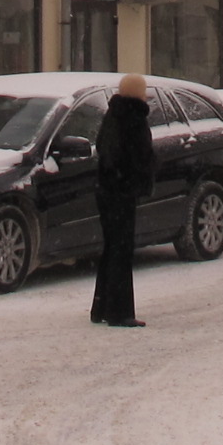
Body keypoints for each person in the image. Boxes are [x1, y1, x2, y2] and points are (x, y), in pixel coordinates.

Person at [91, 71, 152, 328]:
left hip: (107, 191)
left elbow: (104, 149)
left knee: (111, 248)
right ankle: (120, 311)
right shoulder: (133, 117)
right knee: (121, 251)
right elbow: (130, 155)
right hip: (121, 193)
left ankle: (102, 306)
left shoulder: (112, 115)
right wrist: (133, 181)